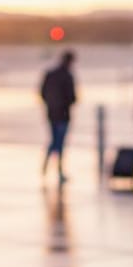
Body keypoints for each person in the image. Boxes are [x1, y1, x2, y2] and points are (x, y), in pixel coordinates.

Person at [40, 50, 77, 182]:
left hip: (52, 113)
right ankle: (58, 170)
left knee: (54, 140)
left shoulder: (50, 74)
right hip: (63, 114)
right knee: (59, 142)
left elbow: (42, 93)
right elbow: (73, 97)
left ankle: (46, 166)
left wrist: (50, 105)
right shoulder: (67, 76)